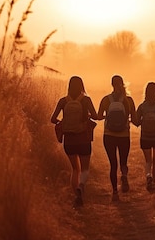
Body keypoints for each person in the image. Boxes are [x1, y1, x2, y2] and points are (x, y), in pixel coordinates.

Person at [51, 76, 98, 207]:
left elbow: (52, 119)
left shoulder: (63, 101)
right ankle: (81, 186)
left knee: (75, 169)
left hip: (69, 140)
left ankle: (77, 196)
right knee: (84, 169)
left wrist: (63, 122)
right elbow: (95, 116)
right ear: (81, 86)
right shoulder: (86, 100)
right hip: (83, 139)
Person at [97, 75, 136, 202]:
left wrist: (105, 117)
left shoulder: (105, 100)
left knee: (113, 164)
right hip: (124, 135)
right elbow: (135, 119)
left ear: (111, 84)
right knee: (123, 161)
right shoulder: (128, 100)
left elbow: (98, 116)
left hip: (109, 135)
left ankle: (114, 192)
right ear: (122, 84)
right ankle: (124, 175)